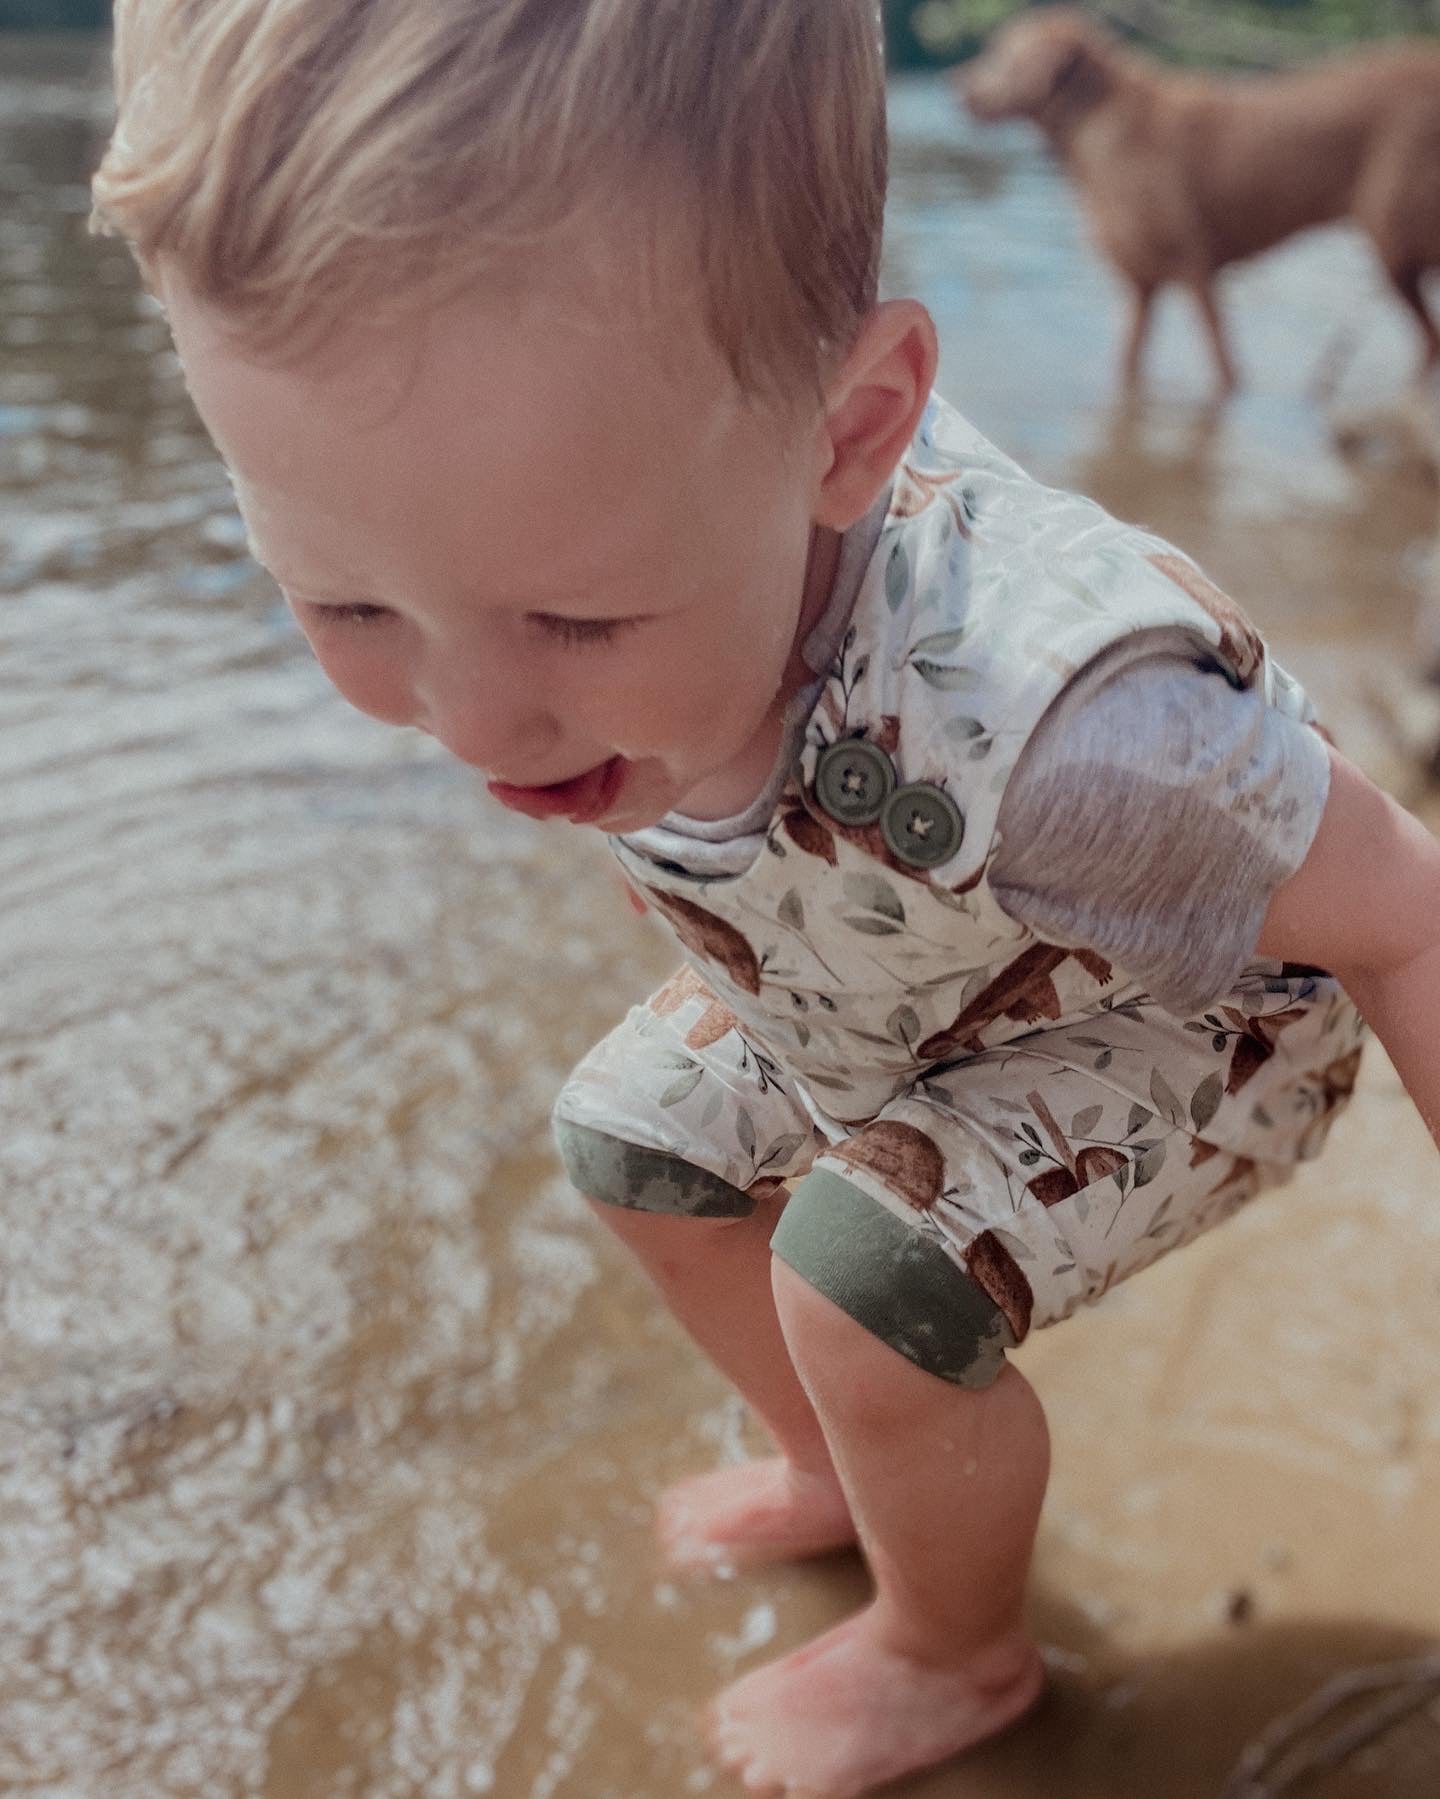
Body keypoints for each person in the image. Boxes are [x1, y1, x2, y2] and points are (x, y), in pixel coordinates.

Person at [92, 3, 1440, 1793]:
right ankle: (843, 1470)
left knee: (858, 1268)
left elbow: (1406, 905)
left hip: (1189, 1013)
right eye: (338, 603)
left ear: (852, 429)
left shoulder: (1077, 747)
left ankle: (955, 1655)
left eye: (576, 619)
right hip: (910, 960)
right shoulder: (621, 496)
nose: (470, 719)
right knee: (633, 1138)